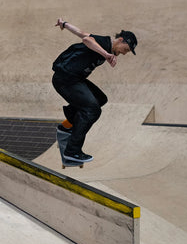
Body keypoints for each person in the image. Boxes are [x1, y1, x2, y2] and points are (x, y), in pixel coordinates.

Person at [52, 17, 137, 163]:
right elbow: (87, 40)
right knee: (92, 110)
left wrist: (64, 24)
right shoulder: (104, 43)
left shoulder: (104, 43)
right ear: (121, 40)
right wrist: (106, 55)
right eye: (126, 50)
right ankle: (72, 151)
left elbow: (81, 33)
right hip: (65, 80)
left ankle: (68, 126)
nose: (124, 53)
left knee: (100, 99)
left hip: (75, 79)